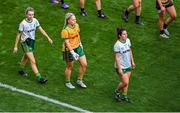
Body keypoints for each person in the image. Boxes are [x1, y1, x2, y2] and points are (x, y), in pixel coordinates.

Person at [13, 7, 53, 84]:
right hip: (25, 42)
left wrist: (48, 37)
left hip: (31, 42)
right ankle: (39, 78)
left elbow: (41, 29)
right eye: (29, 14)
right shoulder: (23, 24)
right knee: (32, 61)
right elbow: (18, 35)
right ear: (26, 15)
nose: (31, 16)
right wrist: (15, 46)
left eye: (32, 14)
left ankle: (21, 70)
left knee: (25, 57)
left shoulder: (35, 21)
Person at [61, 13, 87, 89]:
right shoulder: (65, 31)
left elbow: (77, 35)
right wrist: (72, 52)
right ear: (68, 21)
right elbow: (67, 43)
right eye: (73, 19)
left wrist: (80, 43)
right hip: (68, 50)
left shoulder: (76, 25)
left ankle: (79, 80)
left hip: (77, 47)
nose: (75, 20)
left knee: (84, 64)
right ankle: (67, 82)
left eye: (75, 19)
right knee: (70, 66)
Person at [113, 28, 135, 103]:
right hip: (121, 66)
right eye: (124, 34)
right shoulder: (117, 45)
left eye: (126, 34)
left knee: (127, 82)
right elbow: (117, 57)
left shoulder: (128, 40)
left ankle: (125, 96)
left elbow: (130, 51)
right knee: (125, 82)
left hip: (128, 64)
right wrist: (119, 69)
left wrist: (132, 62)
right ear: (119, 36)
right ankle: (117, 91)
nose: (126, 35)